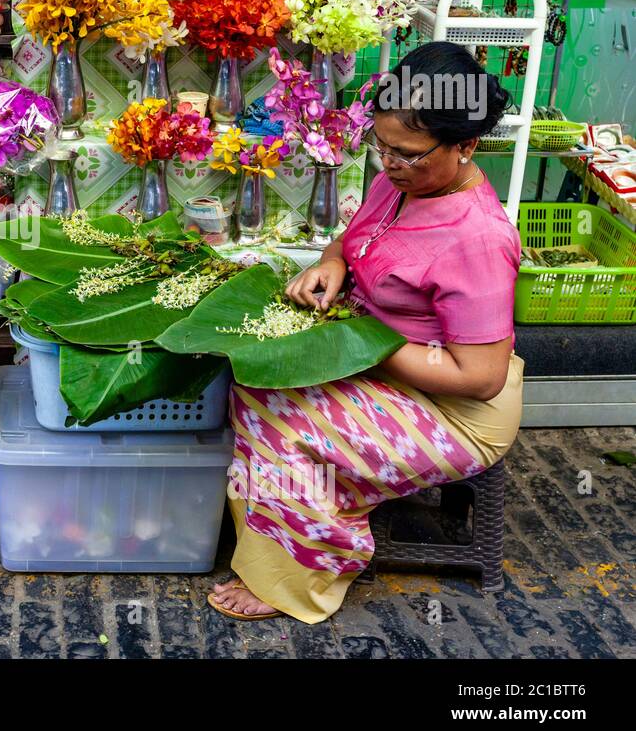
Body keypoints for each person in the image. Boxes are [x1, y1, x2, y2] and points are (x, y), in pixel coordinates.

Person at [209, 42, 524, 623]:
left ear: (466, 146)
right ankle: (276, 537)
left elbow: (480, 378)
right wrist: (331, 264)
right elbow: (354, 243)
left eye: (404, 154)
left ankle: (296, 577)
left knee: (290, 426)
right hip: (381, 358)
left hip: (451, 403)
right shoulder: (405, 181)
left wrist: (362, 343)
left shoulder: (479, 238)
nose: (388, 163)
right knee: (254, 382)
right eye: (380, 147)